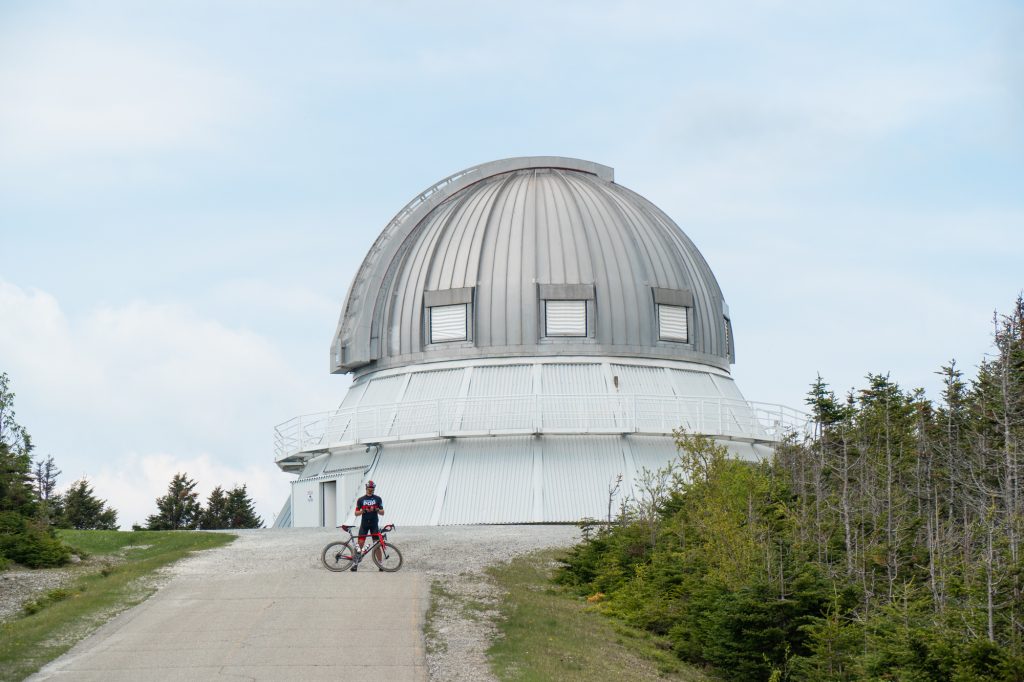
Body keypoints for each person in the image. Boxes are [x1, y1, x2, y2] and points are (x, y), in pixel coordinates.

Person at [351, 480, 384, 572]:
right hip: (364, 524)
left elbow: (382, 513)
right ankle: (355, 564)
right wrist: (363, 511)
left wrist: (376, 509)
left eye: (372, 489)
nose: (371, 490)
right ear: (366, 488)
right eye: (369, 489)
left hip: (374, 524)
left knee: (377, 545)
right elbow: (356, 513)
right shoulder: (361, 499)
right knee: (360, 545)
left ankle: (380, 564)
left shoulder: (378, 499)